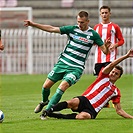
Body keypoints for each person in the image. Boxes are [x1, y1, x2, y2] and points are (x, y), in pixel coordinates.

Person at [24, 11, 111, 117]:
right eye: (78, 22)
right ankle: (44, 101)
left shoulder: (93, 35)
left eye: (82, 22)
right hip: (62, 63)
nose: (80, 24)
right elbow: (52, 29)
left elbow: (105, 51)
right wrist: (33, 24)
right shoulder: (72, 29)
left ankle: (46, 111)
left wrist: (106, 46)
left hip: (76, 68)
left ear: (88, 21)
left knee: (62, 87)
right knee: (46, 86)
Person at [41, 49, 133, 120]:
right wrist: (126, 56)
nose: (113, 74)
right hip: (85, 99)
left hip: (93, 109)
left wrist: (131, 118)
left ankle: (58, 116)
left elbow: (119, 110)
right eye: (113, 72)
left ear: (119, 77)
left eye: (116, 74)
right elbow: (111, 64)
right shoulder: (103, 76)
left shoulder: (116, 92)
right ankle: (49, 110)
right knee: (72, 102)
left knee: (82, 117)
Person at [93, 6, 124, 107]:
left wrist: (115, 45)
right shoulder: (96, 27)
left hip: (110, 58)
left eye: (106, 12)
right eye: (102, 13)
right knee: (99, 80)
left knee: (109, 79)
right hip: (98, 58)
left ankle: (110, 98)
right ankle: (104, 101)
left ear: (110, 13)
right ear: (100, 14)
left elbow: (121, 40)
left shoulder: (115, 27)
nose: (104, 15)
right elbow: (93, 41)